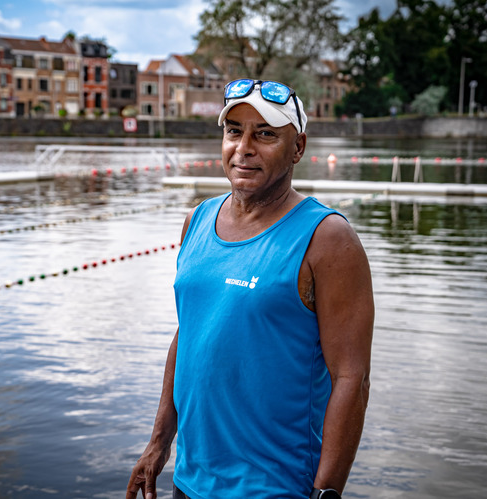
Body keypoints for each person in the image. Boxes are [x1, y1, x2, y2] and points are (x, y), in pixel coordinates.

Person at [126, 79, 374, 499]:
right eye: (234, 130)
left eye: (265, 134)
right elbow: (189, 333)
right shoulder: (197, 221)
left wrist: (327, 492)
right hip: (189, 480)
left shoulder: (327, 238)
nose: (244, 147)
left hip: (274, 488)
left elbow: (352, 377)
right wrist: (159, 442)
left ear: (298, 148)